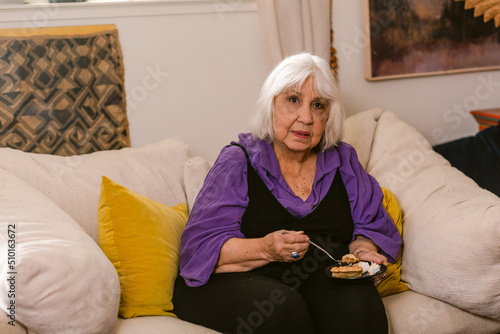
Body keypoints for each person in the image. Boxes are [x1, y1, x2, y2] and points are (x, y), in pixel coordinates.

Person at [172, 52, 401, 334]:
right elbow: (199, 250)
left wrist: (364, 251)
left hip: (311, 274)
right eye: (293, 100)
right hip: (238, 278)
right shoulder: (238, 161)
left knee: (361, 305)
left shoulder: (343, 160)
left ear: (329, 114)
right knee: (281, 311)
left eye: (318, 105)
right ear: (271, 107)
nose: (306, 117)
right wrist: (265, 248)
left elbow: (368, 223)